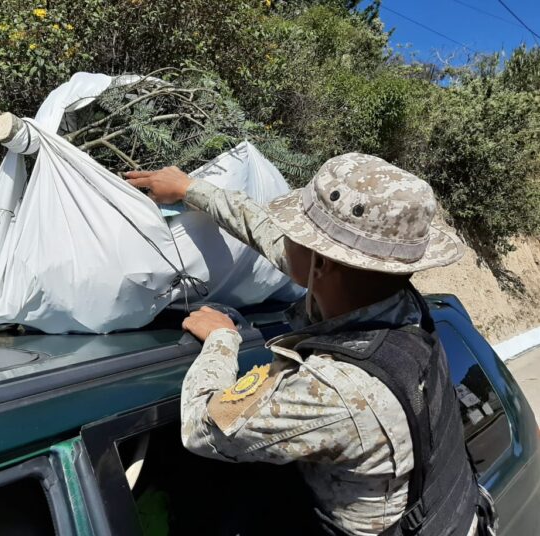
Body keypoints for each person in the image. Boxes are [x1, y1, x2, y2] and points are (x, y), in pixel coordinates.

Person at [125, 153, 497, 536]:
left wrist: (222, 339)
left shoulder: (336, 390)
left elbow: (201, 429)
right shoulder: (396, 303)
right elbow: (272, 238)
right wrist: (191, 189)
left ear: (323, 264)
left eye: (298, 232)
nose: (286, 237)